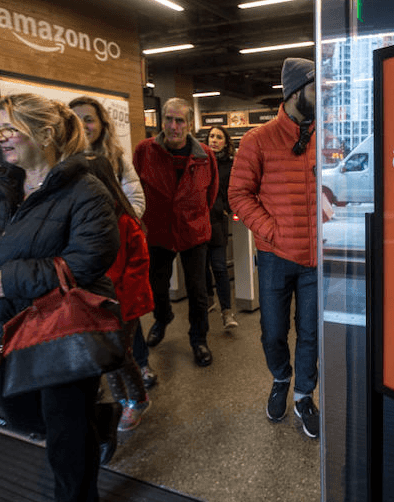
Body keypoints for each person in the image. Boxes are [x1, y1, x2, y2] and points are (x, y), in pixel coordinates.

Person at [0, 93, 121, 502]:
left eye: (9, 128)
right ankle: (100, 417)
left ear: (44, 133)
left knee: (64, 434)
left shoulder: (87, 189)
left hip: (62, 328)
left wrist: (11, 278)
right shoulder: (2, 186)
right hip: (10, 322)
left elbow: (90, 258)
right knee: (25, 413)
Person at [229, 57, 323, 439]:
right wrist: (273, 230)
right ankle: (281, 378)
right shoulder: (258, 139)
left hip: (318, 258)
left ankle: (303, 396)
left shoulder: (327, 136)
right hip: (274, 256)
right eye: (318, 88)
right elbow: (238, 194)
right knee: (272, 332)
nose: (325, 96)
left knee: (311, 333)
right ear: (297, 91)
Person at [68, 96, 157, 389]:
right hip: (83, 255)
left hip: (116, 248)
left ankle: (138, 368)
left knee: (126, 319)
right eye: (77, 119)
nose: (84, 125)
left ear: (101, 124)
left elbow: (136, 200)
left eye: (89, 119)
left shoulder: (115, 157)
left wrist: (116, 228)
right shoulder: (62, 160)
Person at [133, 97, 218, 367]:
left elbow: (211, 193)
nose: (173, 126)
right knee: (156, 285)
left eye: (179, 120)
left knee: (197, 289)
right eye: (168, 119)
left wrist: (194, 215)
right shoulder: (145, 151)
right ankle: (162, 317)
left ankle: (198, 339)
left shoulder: (205, 155)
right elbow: (135, 188)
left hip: (193, 231)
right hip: (158, 231)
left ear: (189, 124)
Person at [86, 158, 154, 432]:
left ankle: (137, 400)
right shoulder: (89, 220)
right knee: (107, 357)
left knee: (120, 355)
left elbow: (138, 267)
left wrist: (119, 302)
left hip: (123, 304)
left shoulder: (126, 221)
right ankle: (121, 400)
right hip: (100, 303)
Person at [204, 125, 239, 329]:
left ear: (226, 142)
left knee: (218, 266)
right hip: (199, 221)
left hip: (217, 221)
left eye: (218, 137)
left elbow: (233, 189)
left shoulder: (230, 164)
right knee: (201, 267)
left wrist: (226, 208)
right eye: (211, 136)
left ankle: (227, 312)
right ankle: (209, 299)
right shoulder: (200, 160)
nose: (214, 140)